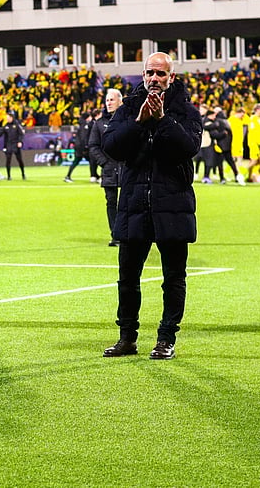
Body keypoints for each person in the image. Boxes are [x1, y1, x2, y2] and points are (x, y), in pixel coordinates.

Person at [101, 53, 201, 360]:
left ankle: (166, 338)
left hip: (172, 204)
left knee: (173, 277)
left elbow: (188, 148)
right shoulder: (129, 108)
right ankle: (127, 337)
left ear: (171, 77)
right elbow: (112, 147)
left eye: (160, 73)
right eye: (149, 73)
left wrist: (161, 120)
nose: (154, 78)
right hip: (134, 205)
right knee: (127, 277)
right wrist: (140, 121)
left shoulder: (185, 110)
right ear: (143, 76)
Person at [87, 88, 122, 246]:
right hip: (109, 170)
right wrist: (104, 162)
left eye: (111, 100)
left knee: (129, 202)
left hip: (127, 168)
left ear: (120, 101)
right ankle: (116, 235)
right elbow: (93, 146)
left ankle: (130, 234)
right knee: (111, 202)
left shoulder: (128, 119)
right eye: (107, 100)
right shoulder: (99, 123)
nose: (108, 103)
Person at [64, 111, 95, 183]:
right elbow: (84, 137)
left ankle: (94, 175)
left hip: (79, 146)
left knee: (89, 161)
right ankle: (94, 176)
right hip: (81, 147)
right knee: (87, 161)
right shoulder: (85, 126)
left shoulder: (82, 124)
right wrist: (85, 146)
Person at [1, 113, 26, 180]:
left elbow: (21, 134)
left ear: (11, 118)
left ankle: (23, 174)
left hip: (16, 144)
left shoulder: (17, 125)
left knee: (19, 160)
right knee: (8, 161)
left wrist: (20, 141)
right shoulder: (6, 126)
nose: (7, 119)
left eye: (8, 118)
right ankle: (9, 176)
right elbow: (1, 133)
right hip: (9, 145)